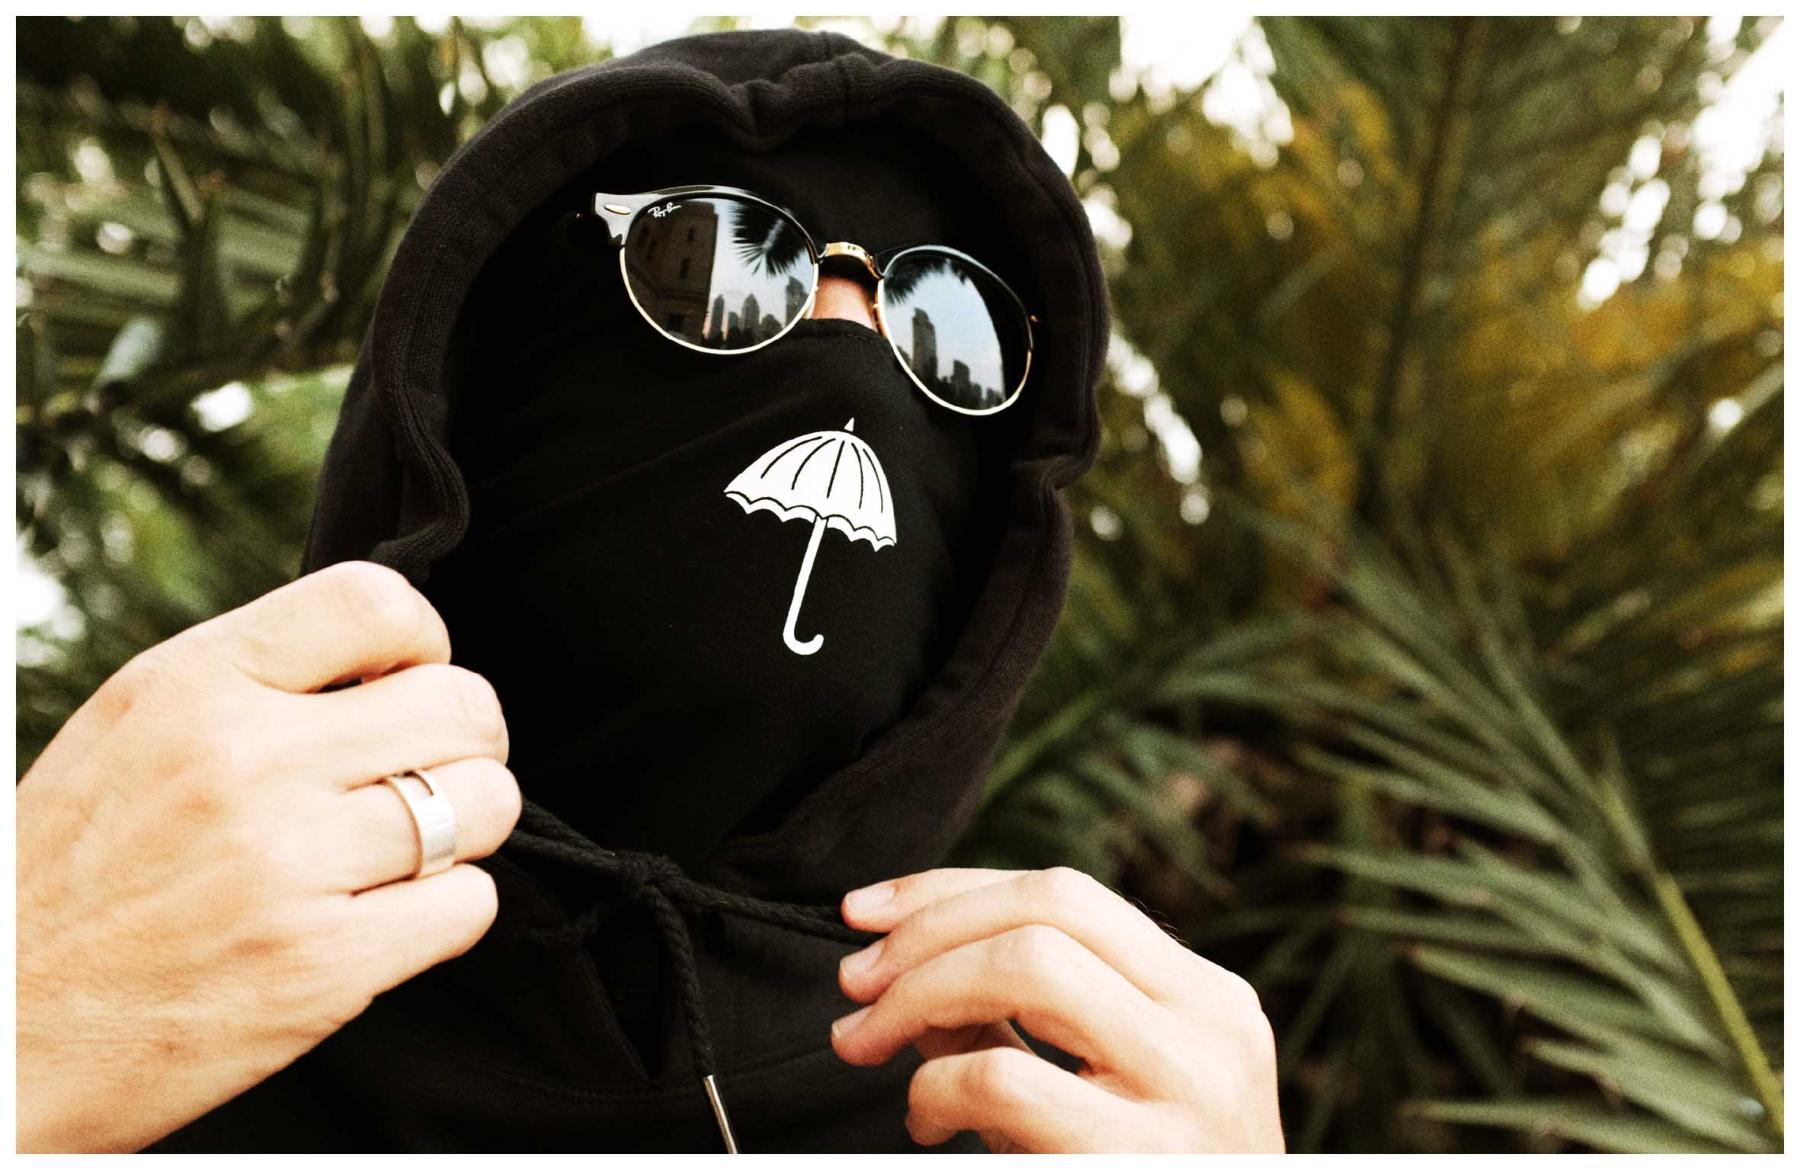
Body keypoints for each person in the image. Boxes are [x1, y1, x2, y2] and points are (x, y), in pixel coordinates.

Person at [18, 27, 1282, 1152]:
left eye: (950, 334)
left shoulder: (1040, 1107)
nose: (852, 378)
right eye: (716, 264)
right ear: (478, 378)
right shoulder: (136, 965)